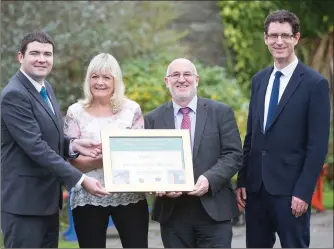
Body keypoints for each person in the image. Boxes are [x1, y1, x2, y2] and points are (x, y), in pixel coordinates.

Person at [0, 30, 110, 248]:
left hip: (46, 203)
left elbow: (49, 134)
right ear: (20, 57)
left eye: (47, 54)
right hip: (24, 206)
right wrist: (81, 180)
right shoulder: (15, 95)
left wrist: (72, 144)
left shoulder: (44, 88)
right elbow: (36, 147)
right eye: (35, 53)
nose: (42, 59)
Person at [236, 10, 330, 248]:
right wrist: (242, 181)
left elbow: (317, 145)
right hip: (256, 192)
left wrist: (304, 191)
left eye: (285, 36)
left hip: (291, 192)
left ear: (296, 38)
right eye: (273, 35)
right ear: (266, 38)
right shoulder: (259, 80)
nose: (279, 41)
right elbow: (252, 136)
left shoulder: (314, 84)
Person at [144, 58, 243, 248]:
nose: (181, 79)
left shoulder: (220, 112)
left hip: (214, 210)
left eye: (187, 74)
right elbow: (150, 162)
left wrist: (209, 179)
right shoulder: (153, 119)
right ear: (167, 81)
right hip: (173, 214)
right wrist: (157, 183)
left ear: (196, 80)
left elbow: (234, 154)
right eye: (175, 75)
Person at [63, 53, 149, 248]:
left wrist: (98, 158)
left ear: (115, 80)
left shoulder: (131, 109)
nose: (100, 82)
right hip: (88, 196)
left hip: (130, 195)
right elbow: (72, 163)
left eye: (106, 77)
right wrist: (109, 158)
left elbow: (139, 155)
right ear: (88, 80)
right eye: (95, 76)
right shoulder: (75, 111)